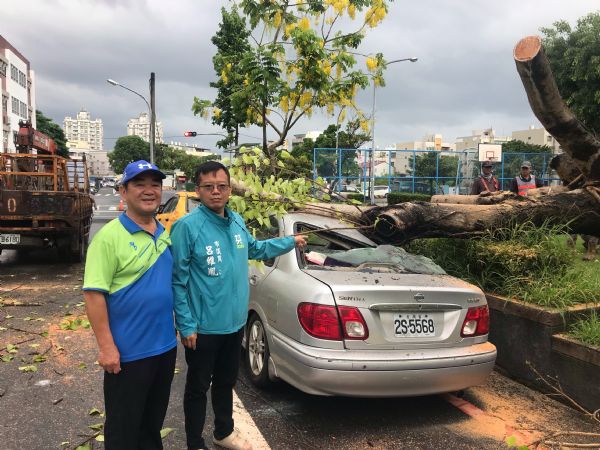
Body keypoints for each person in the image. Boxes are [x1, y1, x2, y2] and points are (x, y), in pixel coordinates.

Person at [171, 161, 307, 450]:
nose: (216, 192)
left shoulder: (236, 221)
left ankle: (224, 432)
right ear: (198, 191)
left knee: (226, 382)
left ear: (230, 190)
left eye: (221, 186)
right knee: (197, 389)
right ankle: (194, 442)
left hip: (235, 324)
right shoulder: (187, 227)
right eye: (209, 187)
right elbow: (178, 281)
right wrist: (185, 323)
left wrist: (290, 242)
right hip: (203, 328)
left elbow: (256, 249)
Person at [83, 160, 177, 450]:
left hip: (164, 348)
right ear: (123, 191)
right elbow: (93, 295)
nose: (149, 191)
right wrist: (107, 347)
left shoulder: (163, 233)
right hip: (127, 354)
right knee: (123, 429)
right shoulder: (108, 237)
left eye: (155, 184)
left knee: (152, 425)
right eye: (139, 184)